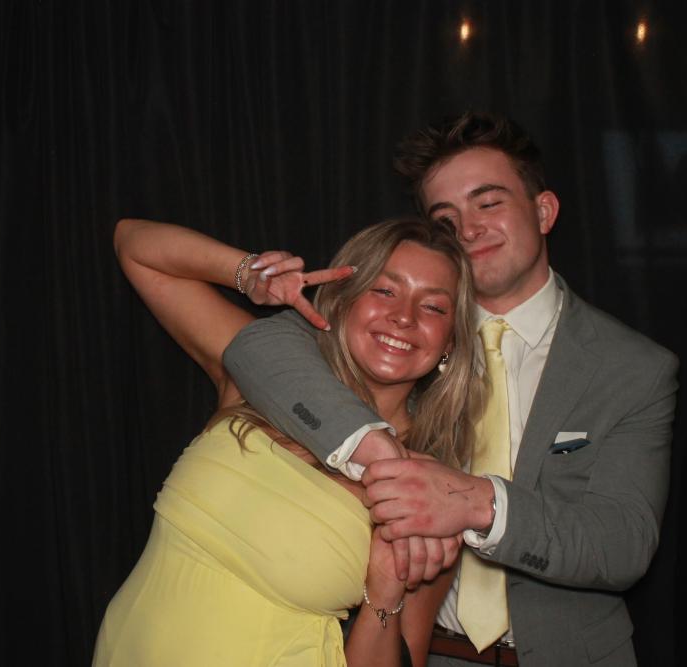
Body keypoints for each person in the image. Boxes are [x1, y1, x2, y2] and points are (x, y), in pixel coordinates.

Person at [223, 112, 679, 666]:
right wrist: (248, 274)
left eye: (488, 203)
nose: (467, 229)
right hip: (421, 650)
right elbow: (256, 346)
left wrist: (474, 502)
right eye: (446, 217)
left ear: (543, 211)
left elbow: (623, 544)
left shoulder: (633, 367)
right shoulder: (402, 341)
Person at [93, 217, 483, 666]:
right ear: (343, 300)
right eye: (384, 290)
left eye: (433, 307)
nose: (404, 317)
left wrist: (383, 590)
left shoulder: (432, 492)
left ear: (451, 341)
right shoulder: (257, 375)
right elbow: (134, 244)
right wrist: (250, 274)